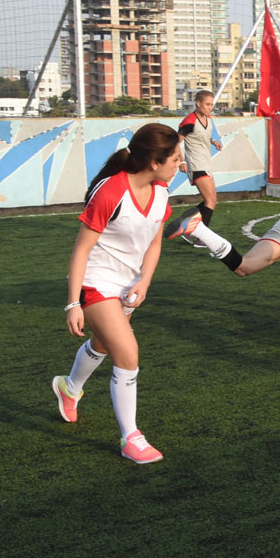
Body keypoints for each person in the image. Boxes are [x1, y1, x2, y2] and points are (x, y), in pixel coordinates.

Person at [51, 123, 182, 463]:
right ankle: (131, 438)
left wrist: (144, 282)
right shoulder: (110, 191)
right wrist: (73, 302)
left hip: (128, 286)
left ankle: (69, 388)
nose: (180, 164)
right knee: (127, 353)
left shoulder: (162, 192)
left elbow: (154, 243)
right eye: (175, 158)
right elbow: (80, 250)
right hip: (95, 282)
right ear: (154, 161)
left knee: (104, 344)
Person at [172, 90, 223, 246]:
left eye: (211, 104)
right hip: (196, 165)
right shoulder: (189, 121)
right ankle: (201, 237)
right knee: (209, 200)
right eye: (207, 104)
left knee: (212, 200)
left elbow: (203, 135)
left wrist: (213, 141)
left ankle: (185, 223)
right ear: (198, 103)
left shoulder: (207, 119)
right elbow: (175, 142)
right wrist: (181, 161)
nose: (210, 107)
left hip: (206, 164)